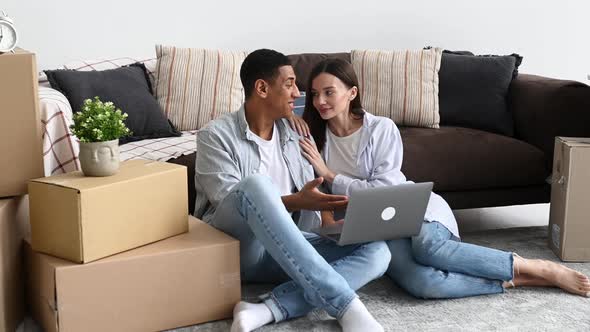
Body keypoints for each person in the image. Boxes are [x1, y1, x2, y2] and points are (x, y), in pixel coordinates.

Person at [299, 57, 590, 300]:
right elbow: (313, 184)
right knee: (423, 284)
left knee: (428, 248)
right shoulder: (313, 137)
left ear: (352, 92)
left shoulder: (380, 129)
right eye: (314, 94)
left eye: (328, 92)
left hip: (406, 209)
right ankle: (518, 280)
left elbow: (383, 189)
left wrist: (330, 174)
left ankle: (534, 266)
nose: (320, 101)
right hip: (370, 229)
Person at [194, 49, 391, 332]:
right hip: (239, 250)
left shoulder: (295, 133)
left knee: (378, 252)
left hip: (290, 248)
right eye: (289, 84)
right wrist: (294, 202)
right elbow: (229, 201)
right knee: (256, 185)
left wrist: (329, 222)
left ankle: (268, 309)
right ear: (262, 88)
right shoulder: (215, 135)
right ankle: (346, 305)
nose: (297, 93)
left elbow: (311, 188)